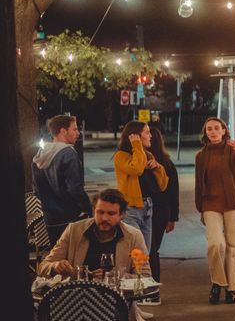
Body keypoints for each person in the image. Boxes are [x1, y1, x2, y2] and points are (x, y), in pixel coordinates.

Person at [194, 117, 235, 305]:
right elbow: (199, 183)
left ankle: (232, 288)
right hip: (210, 204)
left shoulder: (234, 150)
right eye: (209, 129)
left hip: (233, 203)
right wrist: (200, 208)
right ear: (205, 132)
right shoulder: (201, 155)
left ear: (224, 131)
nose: (213, 131)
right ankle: (217, 282)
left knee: (233, 246)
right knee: (215, 245)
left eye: (217, 128)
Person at [39, 189, 150, 278]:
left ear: (121, 215)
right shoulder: (74, 230)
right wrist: (55, 266)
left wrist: (115, 276)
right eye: (100, 212)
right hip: (77, 299)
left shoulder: (134, 236)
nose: (104, 218)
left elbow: (145, 276)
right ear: (93, 211)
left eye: (111, 213)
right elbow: (43, 267)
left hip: (117, 301)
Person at [31, 114, 91, 244]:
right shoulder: (68, 154)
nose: (78, 133)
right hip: (71, 217)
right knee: (76, 258)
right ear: (63, 131)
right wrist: (88, 208)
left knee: (58, 258)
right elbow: (75, 188)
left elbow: (36, 190)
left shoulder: (39, 156)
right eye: (74, 129)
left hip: (51, 219)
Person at [113, 121, 169, 252]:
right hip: (131, 209)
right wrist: (137, 145)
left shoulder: (147, 155)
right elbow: (136, 169)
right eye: (147, 132)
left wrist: (157, 167)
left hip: (147, 207)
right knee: (135, 251)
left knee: (145, 253)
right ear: (136, 136)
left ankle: (142, 273)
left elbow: (163, 184)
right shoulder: (121, 156)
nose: (151, 136)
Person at [146, 128, 180, 299]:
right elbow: (174, 193)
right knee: (153, 250)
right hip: (162, 211)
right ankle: (152, 289)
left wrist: (172, 217)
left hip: (156, 211)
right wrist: (172, 217)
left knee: (149, 251)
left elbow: (173, 191)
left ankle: (151, 290)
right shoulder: (167, 162)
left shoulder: (159, 164)